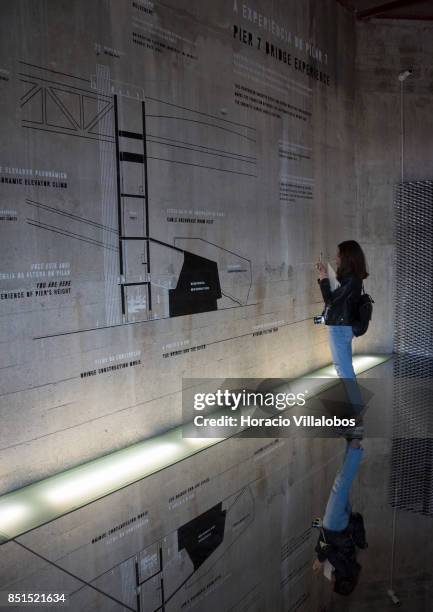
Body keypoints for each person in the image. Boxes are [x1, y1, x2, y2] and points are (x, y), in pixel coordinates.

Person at [316, 240, 369, 432]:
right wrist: (325, 277)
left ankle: (356, 413)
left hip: (340, 328)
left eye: (339, 254)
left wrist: (323, 278)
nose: (336, 257)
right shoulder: (350, 278)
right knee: (343, 369)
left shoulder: (351, 280)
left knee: (344, 370)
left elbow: (330, 299)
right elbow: (336, 296)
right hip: (341, 327)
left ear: (346, 256)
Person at [312, 438, 368, 596]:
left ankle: (351, 439)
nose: (331, 582)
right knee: (341, 483)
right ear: (341, 582)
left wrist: (317, 525)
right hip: (334, 524)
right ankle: (355, 443)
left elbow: (329, 543)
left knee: (341, 478)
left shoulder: (348, 565)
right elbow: (327, 547)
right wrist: (319, 560)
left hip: (340, 524)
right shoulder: (343, 567)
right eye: (333, 584)